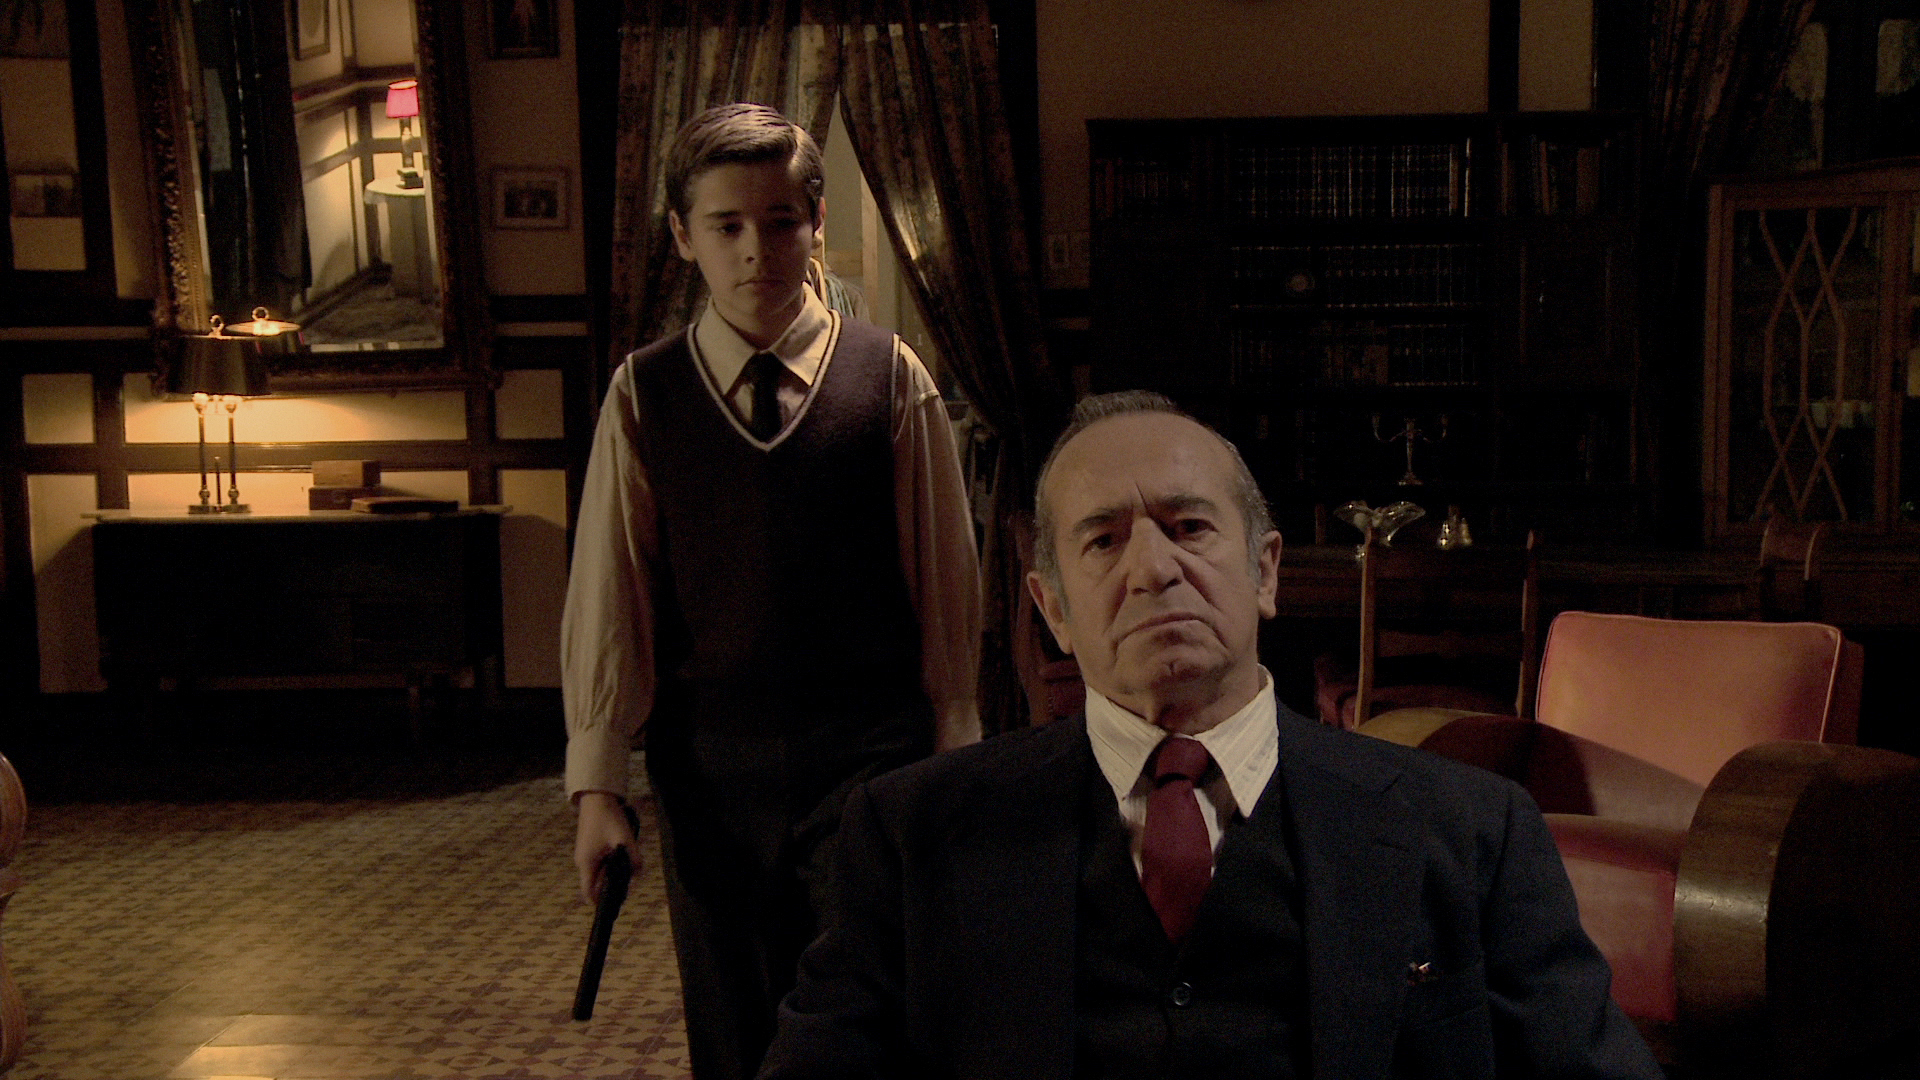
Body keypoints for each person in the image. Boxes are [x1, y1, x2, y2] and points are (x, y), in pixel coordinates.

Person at [757, 391, 1663, 1080]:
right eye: (1103, 541)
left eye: (1188, 527)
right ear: (1052, 610)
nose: (1154, 569)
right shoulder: (912, 834)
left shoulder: (1472, 832)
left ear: (1265, 572)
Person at [561, 102, 980, 1080]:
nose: (757, 249)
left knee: (861, 1007)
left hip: (869, 756)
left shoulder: (888, 377)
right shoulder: (645, 393)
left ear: (816, 222)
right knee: (732, 1014)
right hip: (711, 766)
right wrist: (598, 784)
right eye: (728, 225)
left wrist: (955, 745)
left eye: (782, 220)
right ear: (683, 236)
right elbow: (613, 597)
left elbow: (945, 583)